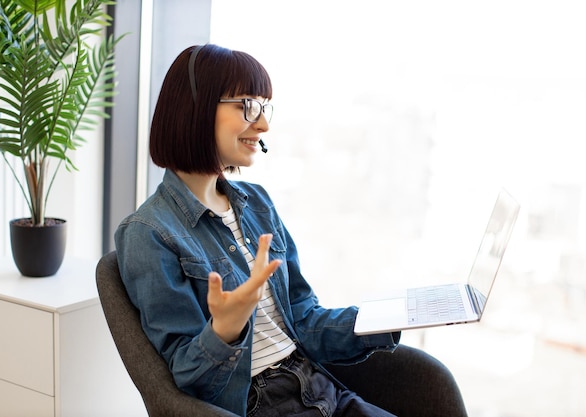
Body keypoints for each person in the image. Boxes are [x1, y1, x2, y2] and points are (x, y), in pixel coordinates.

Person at [115, 44, 467, 417]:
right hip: (260, 405)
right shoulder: (148, 234)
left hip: (319, 386)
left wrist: (390, 317)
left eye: (265, 107)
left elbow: (303, 319)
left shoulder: (257, 203)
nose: (264, 123)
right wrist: (225, 330)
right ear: (197, 108)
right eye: (248, 105)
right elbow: (183, 380)